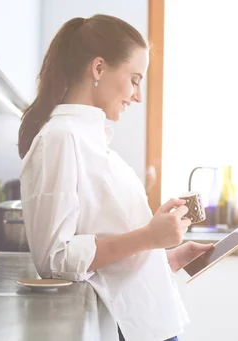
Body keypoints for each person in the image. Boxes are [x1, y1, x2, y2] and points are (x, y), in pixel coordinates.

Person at [18, 14, 213, 341]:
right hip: (132, 329)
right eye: (135, 79)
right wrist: (149, 238)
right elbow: (56, 258)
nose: (137, 95)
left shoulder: (90, 138)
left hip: (151, 323)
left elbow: (106, 251)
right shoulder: (60, 138)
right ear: (98, 68)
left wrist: (165, 256)